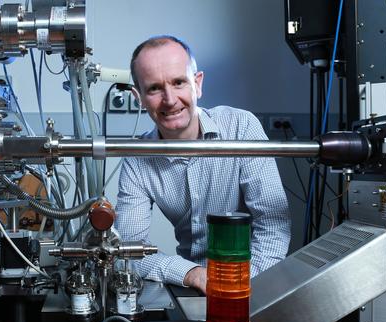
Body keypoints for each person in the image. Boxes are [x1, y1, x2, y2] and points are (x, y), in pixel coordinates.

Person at [115, 35, 291, 293]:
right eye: (154, 88)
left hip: (254, 280)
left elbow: (273, 225)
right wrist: (192, 274)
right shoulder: (137, 158)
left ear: (197, 84)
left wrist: (239, 285)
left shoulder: (241, 127)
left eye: (178, 82)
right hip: (188, 286)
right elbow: (128, 251)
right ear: (138, 97)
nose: (170, 99)